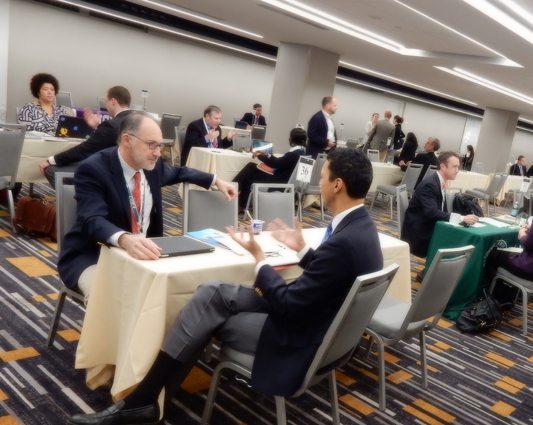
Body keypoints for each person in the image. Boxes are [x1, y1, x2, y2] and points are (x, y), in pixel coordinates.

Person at [67, 149, 382, 425]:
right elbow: (330, 276)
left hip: (297, 337)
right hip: (319, 326)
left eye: (324, 176)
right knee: (211, 293)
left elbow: (286, 302)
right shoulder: (363, 230)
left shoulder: (345, 242)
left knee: (206, 313)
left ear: (337, 185)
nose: (321, 182)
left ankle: (143, 400)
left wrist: (259, 260)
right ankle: (150, 397)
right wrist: (302, 251)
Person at [57, 112, 236, 298]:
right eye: (152, 145)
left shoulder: (152, 166)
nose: (158, 153)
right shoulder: (94, 169)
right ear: (127, 140)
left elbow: (180, 172)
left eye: (159, 146)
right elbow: (92, 219)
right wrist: (125, 239)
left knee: (186, 288)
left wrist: (215, 181)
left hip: (144, 255)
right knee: (109, 295)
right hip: (95, 256)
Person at [39, 86, 133, 186]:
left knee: (51, 169)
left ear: (113, 101)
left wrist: (51, 160)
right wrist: (97, 127)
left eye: (107, 102)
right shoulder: (140, 120)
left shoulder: (111, 125)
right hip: (130, 172)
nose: (107, 106)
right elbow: (107, 140)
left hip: (111, 174)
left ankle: (78, 199)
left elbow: (83, 151)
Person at [401, 151, 478, 258]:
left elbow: (438, 211)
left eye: (458, 167)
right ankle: (435, 272)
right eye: (454, 167)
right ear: (443, 166)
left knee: (461, 236)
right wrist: (461, 218)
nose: (457, 171)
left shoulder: (439, 181)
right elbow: (432, 213)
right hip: (420, 232)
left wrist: (460, 219)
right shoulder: (430, 184)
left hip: (428, 225)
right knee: (460, 241)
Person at [232, 127, 307, 212]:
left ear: (292, 139)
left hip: (279, 182)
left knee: (250, 170)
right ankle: (241, 202)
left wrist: (259, 155)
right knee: (251, 169)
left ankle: (233, 190)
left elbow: (275, 164)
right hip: (287, 183)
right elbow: (279, 162)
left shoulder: (293, 155)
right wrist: (266, 155)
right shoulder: (303, 153)